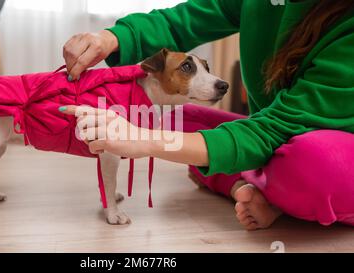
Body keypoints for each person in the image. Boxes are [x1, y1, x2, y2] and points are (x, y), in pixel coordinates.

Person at [61, 0, 354, 230]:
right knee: (181, 120)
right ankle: (262, 186)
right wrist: (113, 38)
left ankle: (255, 184)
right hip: (274, 133)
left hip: (329, 147)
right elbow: (188, 19)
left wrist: (143, 139)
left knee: (312, 161)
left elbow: (279, 128)